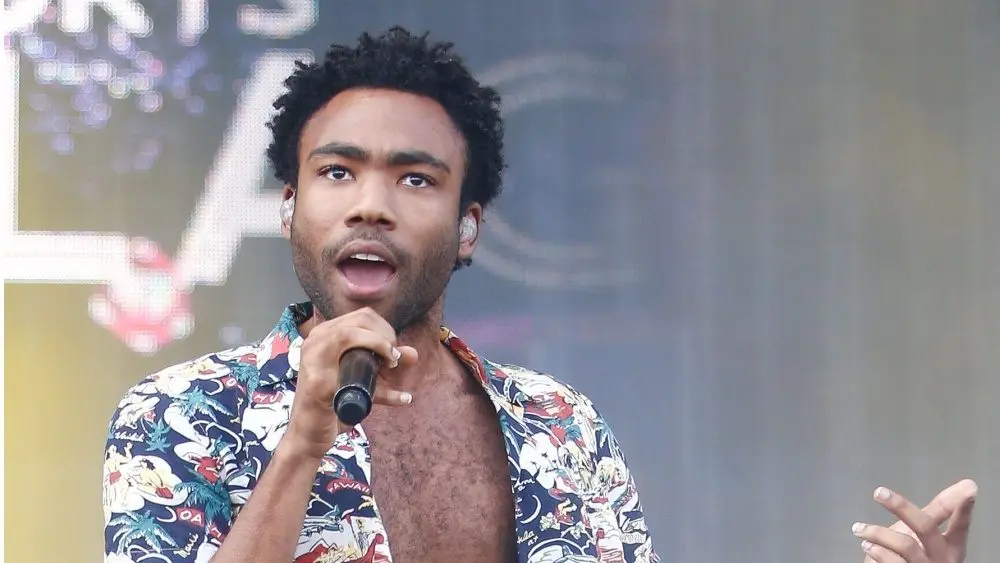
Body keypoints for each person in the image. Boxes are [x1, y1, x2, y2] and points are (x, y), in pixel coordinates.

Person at [102, 27, 978, 563]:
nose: (369, 202)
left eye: (415, 179)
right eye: (337, 172)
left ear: (468, 224)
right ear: (290, 207)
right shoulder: (179, 415)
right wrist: (301, 444)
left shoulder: (565, 428)